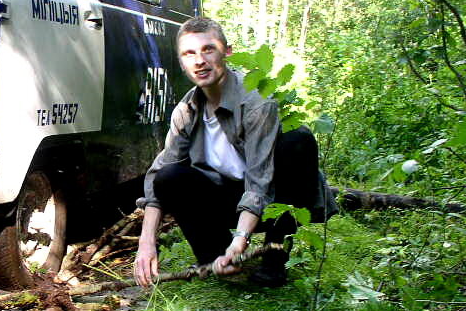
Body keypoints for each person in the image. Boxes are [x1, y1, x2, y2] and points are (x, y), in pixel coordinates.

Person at [133, 16, 335, 288]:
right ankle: (216, 258)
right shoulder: (187, 110)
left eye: (208, 49)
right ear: (181, 62)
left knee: (298, 141)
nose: (199, 61)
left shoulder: (256, 101)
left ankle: (274, 257)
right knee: (168, 176)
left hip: (270, 200)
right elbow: (157, 175)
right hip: (225, 198)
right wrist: (146, 244)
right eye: (189, 53)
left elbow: (260, 180)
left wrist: (241, 239)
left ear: (227, 52)